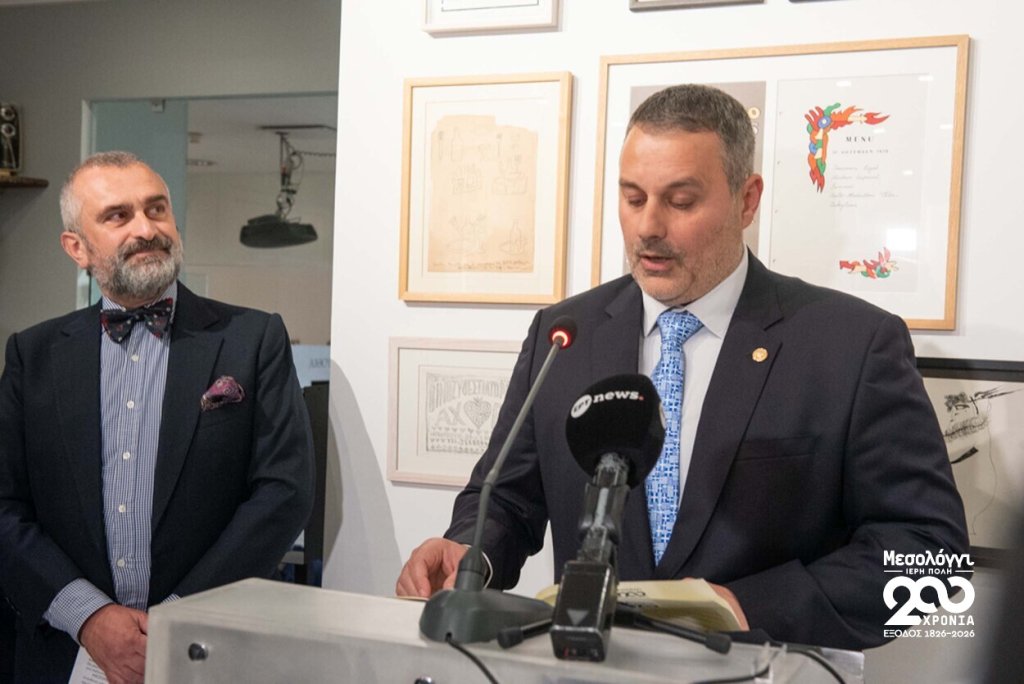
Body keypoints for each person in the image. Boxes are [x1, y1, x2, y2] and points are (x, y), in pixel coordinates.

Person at [396, 84, 969, 650]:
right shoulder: (565, 335)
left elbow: (931, 555)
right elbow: (507, 499)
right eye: (633, 198)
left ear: (747, 200)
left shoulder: (851, 344)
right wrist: (472, 554)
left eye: (681, 201)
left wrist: (748, 609)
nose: (648, 227)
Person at [0, 152, 315, 683]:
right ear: (76, 247)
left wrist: (178, 618)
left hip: (213, 650)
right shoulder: (34, 355)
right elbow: (6, 506)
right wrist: (90, 618)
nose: (146, 229)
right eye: (118, 215)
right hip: (66, 653)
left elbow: (284, 493)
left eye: (156, 209)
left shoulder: (252, 339)